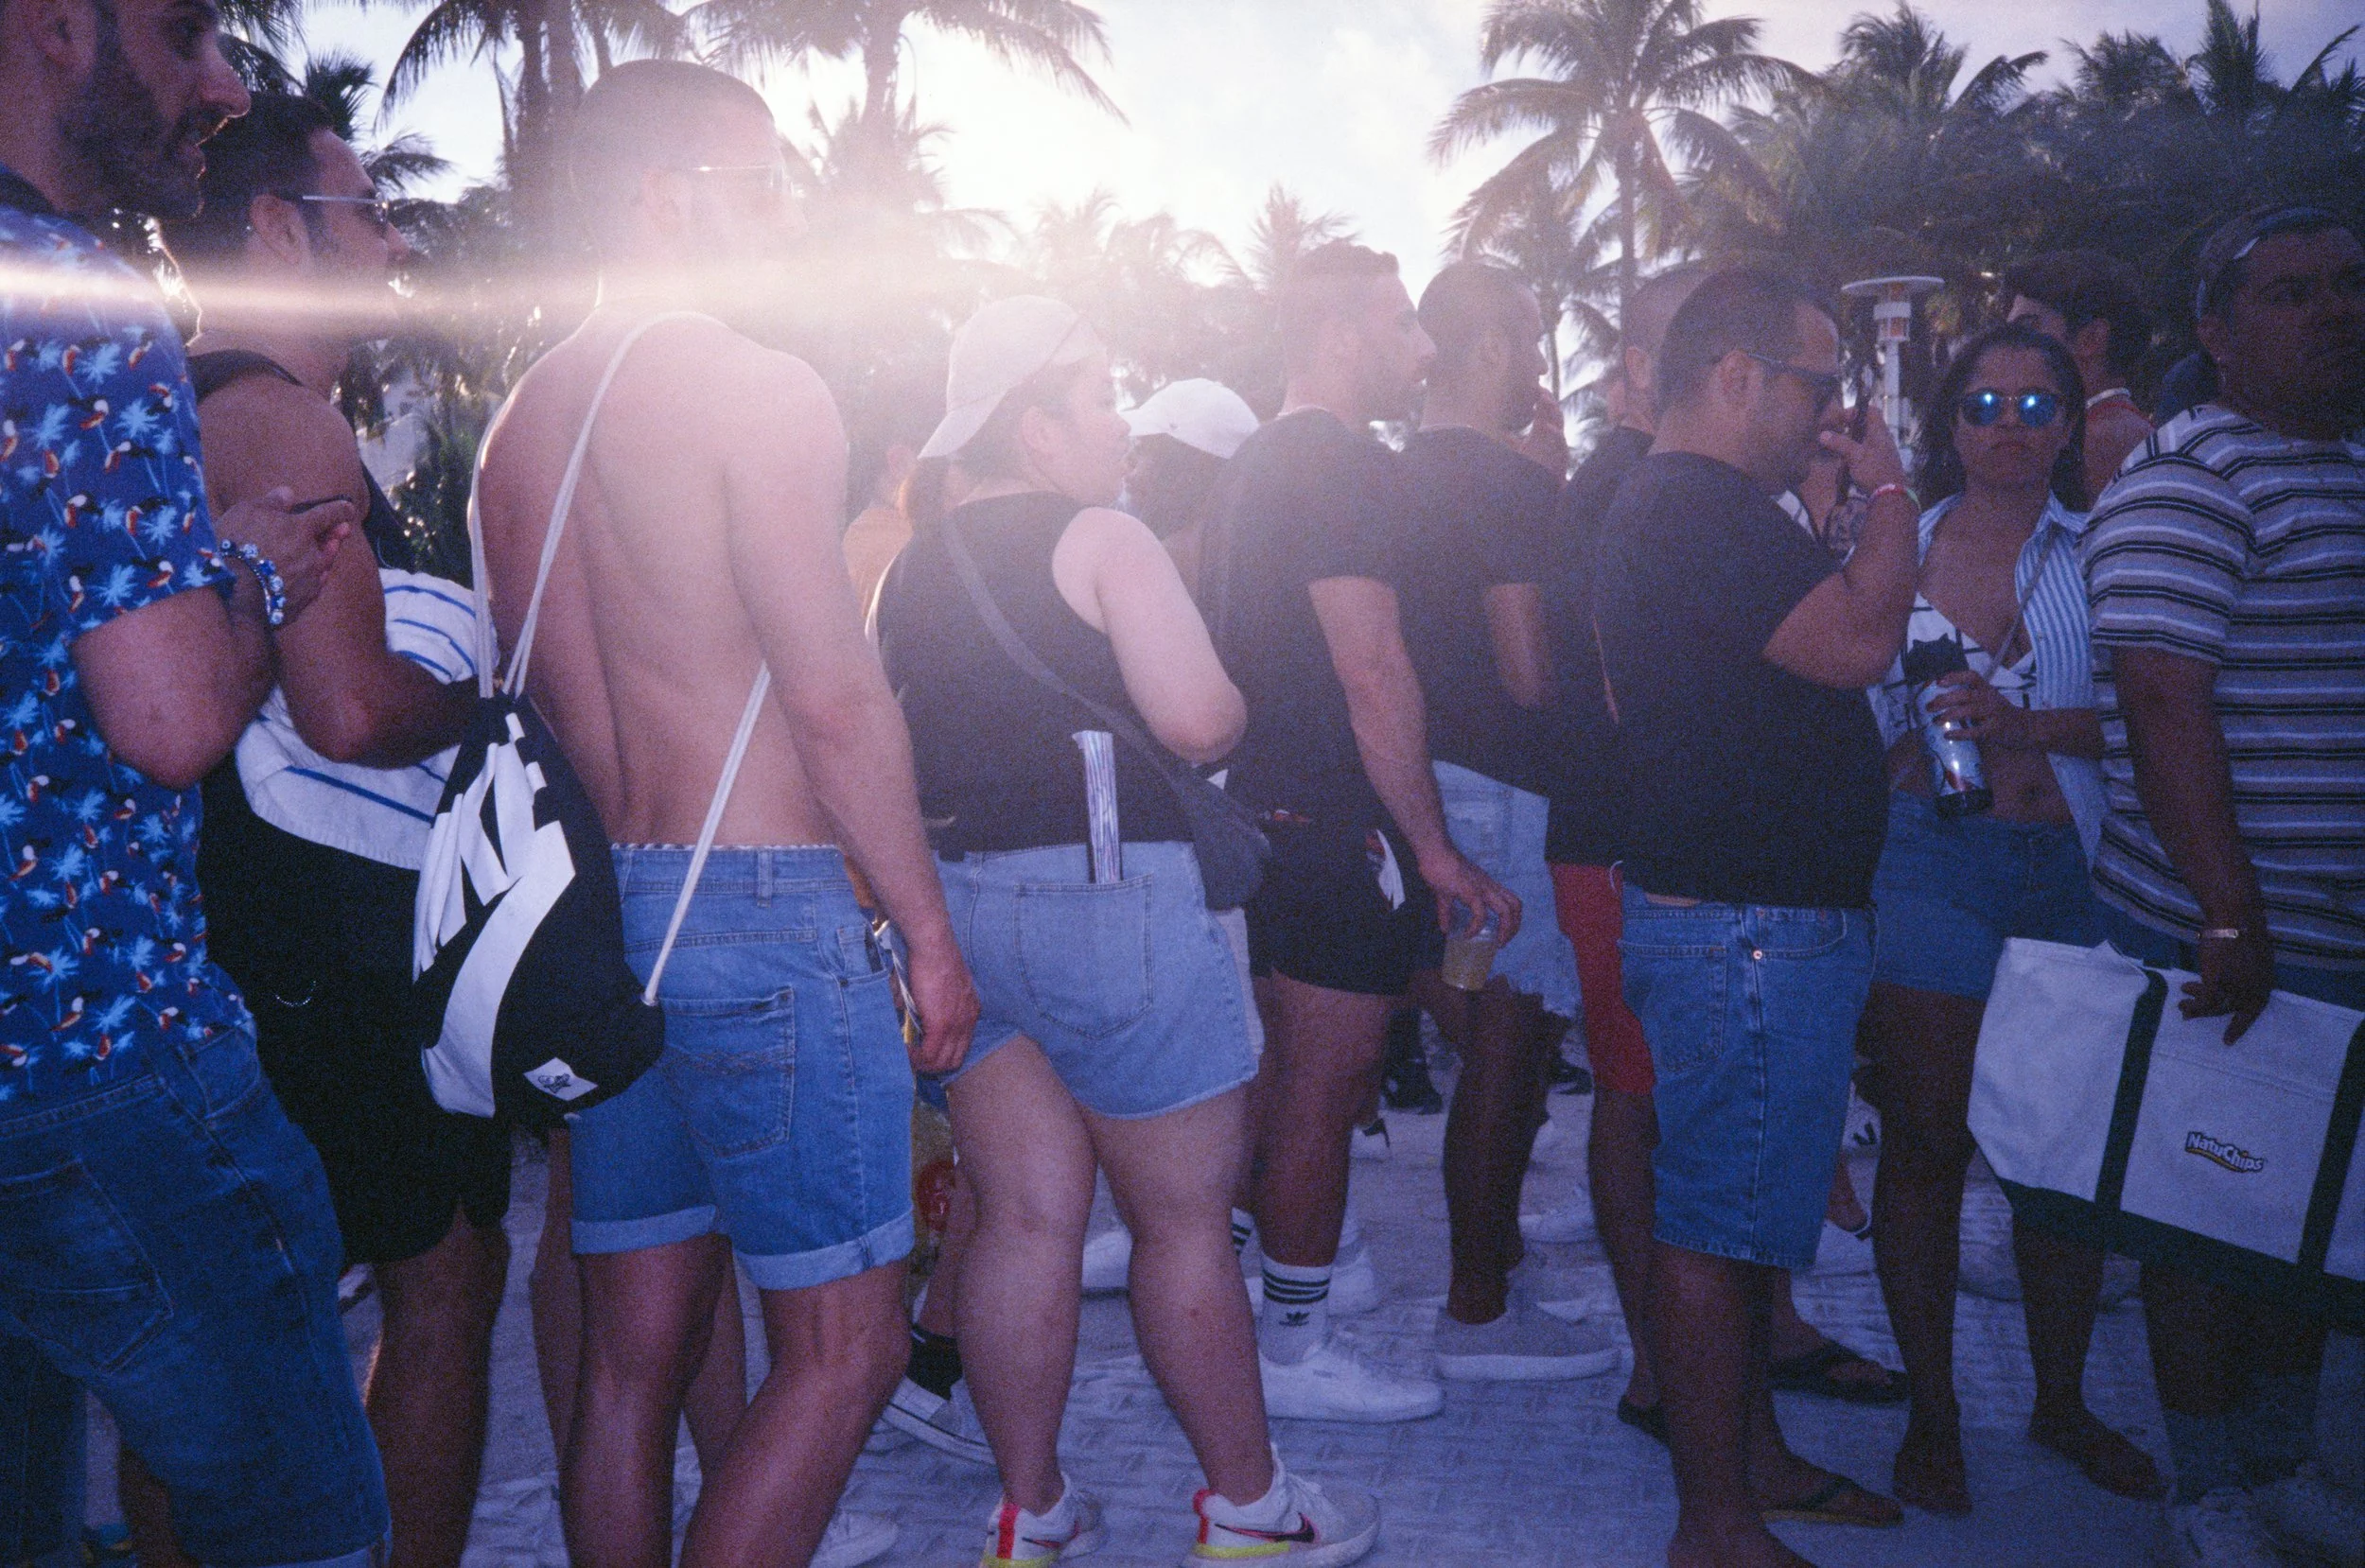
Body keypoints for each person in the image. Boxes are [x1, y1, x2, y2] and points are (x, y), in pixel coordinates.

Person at [469, 61, 977, 1568]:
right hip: (760, 903)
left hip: (602, 918)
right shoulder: (758, 388)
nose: (788, 214)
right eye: (760, 185)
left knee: (630, 1365)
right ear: (662, 197)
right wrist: (930, 934)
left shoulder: (518, 427)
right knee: (846, 1351)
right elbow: (832, 699)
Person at [876, 295, 1377, 1567]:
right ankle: (1250, 1509)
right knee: (1185, 1223)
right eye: (1100, 397)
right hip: (1120, 904)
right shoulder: (1104, 535)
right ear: (1038, 427)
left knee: (1026, 1216)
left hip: (968, 911)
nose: (1119, 423)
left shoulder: (909, 564)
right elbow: (1202, 719)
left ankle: (1030, 1510)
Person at [0, 5, 383, 1565]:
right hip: (109, 1051)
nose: (224, 86)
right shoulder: (76, 299)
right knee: (298, 1524)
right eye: (182, 34)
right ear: (48, 29)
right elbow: (162, 717)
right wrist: (256, 579)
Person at [152, 96, 506, 1568]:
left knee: (225, 1328)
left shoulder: (192, 397)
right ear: (282, 231)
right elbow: (354, 710)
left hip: (241, 918)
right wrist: (483, 705)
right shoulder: (279, 413)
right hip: (321, 930)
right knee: (444, 1279)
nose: (395, 238)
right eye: (369, 212)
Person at [1535, 268, 1902, 1440]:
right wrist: (1891, 492)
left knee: (1732, 1224)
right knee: (1714, 1235)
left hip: (1746, 913)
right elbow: (1856, 641)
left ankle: (1753, 1467)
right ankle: (1719, 1515)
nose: (1829, 410)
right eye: (1819, 384)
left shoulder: (1693, 503)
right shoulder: (1695, 506)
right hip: (1747, 923)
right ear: (1739, 377)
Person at [2081, 204, 2365, 1568]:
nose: (2332, 313)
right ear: (2214, 329)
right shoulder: (2187, 478)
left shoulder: (2351, 465)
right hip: (2231, 927)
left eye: (2347, 288)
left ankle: (2282, 1456)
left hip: (2342, 925)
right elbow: (2160, 698)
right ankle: (2206, 1489)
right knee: (2206, 1205)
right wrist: (2229, 912)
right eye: (2292, 293)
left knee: (2308, 1216)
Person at [1202, 241, 1517, 1422]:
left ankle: (1256, 1312)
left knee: (1282, 1074)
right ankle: (1293, 1344)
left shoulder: (1247, 465)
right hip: (1333, 823)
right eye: (1401, 323)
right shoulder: (1338, 464)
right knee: (1324, 1088)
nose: (1423, 348)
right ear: (1340, 335)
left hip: (1256, 813)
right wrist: (1431, 845)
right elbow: (1373, 667)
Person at [1854, 322, 2164, 1515]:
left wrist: (2026, 722)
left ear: (2073, 423)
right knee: (1928, 1134)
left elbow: (2164, 711)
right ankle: (1935, 1414)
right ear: (1948, 422)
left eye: (2040, 407)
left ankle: (2062, 1399)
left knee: (2063, 1158)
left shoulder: (2107, 549)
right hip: (1926, 858)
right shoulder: (1894, 547)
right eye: (1984, 404)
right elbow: (1835, 690)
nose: (2008, 428)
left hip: (2071, 864)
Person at [1392, 259, 1612, 1382]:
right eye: (1526, 341)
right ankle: (1478, 1302)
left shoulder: (1392, 477)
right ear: (1487, 349)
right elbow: (1528, 670)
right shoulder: (1512, 487)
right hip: (1506, 784)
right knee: (1510, 1042)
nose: (1536, 365)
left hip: (1422, 780)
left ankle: (1498, 1267)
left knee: (1490, 1038)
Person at [2005, 251, 2155, 501]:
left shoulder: (2098, 440)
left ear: (2091, 339)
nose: (2007, 346)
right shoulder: (2112, 426)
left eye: (2026, 330)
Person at [1121, 376, 1259, 595]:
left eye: (1141, 448)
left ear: (1183, 467)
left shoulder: (1168, 561)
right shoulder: (1253, 553)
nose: (1127, 466)